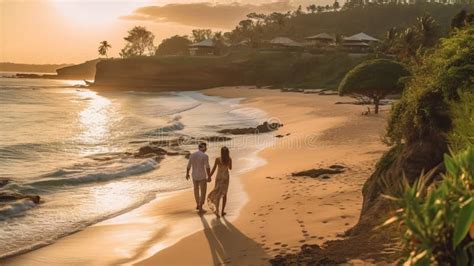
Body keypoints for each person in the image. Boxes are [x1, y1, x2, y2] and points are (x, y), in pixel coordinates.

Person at [207, 146, 232, 218]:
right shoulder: (229, 159)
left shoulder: (217, 159)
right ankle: (222, 211)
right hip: (226, 178)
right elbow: (230, 168)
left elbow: (214, 169)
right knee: (224, 194)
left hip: (219, 177)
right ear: (227, 152)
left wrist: (209, 176)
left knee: (217, 194)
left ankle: (217, 211)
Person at [186, 142, 211, 213]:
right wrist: (209, 176)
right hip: (202, 176)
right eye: (205, 147)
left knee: (196, 190)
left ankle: (198, 204)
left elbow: (188, 166)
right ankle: (200, 207)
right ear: (203, 148)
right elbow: (207, 167)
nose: (206, 148)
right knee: (203, 191)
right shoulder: (205, 156)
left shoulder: (192, 155)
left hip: (194, 176)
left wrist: (187, 174)